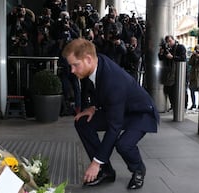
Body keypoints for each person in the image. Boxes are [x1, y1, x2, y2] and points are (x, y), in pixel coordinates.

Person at [62, 38, 159, 189]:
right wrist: (93, 107)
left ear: (88, 59)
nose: (72, 70)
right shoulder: (96, 63)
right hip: (120, 108)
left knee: (124, 144)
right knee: (82, 123)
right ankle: (105, 171)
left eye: (75, 65)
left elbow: (114, 127)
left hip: (140, 113)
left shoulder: (113, 82)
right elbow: (97, 88)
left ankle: (138, 169)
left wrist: (95, 162)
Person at [158, 35, 186, 113]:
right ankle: (173, 106)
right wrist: (161, 53)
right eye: (167, 42)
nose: (169, 43)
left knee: (177, 90)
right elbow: (161, 58)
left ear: (174, 40)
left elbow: (183, 58)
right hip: (169, 73)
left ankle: (181, 107)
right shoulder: (167, 49)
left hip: (178, 73)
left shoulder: (180, 47)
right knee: (168, 90)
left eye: (170, 41)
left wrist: (172, 57)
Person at [188, 44, 199, 110]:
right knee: (191, 90)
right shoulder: (193, 56)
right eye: (196, 49)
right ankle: (193, 104)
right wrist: (193, 55)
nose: (198, 51)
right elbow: (190, 63)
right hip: (193, 76)